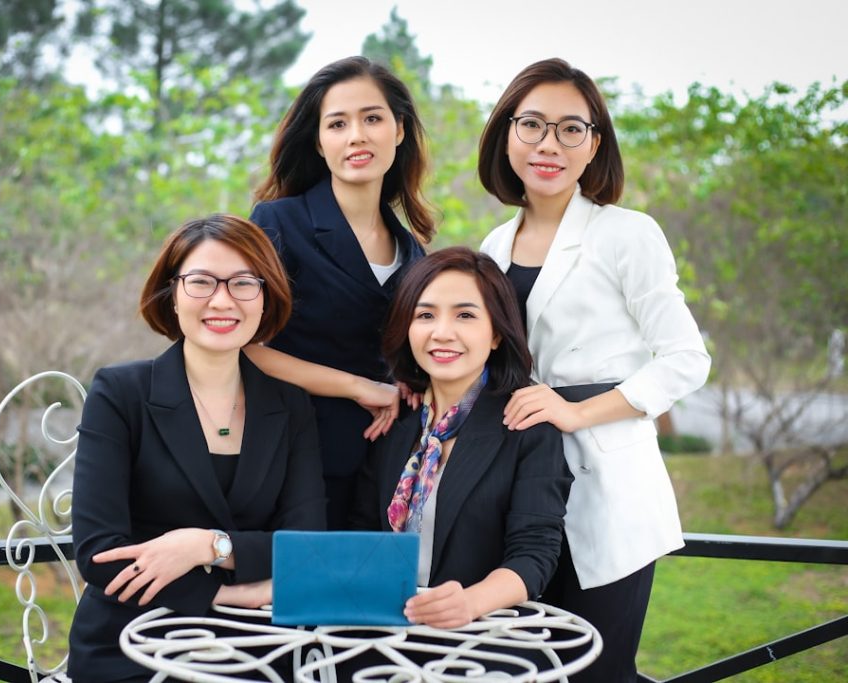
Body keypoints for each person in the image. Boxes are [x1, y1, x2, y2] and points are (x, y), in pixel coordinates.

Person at [477, 58, 712, 682]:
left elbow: (686, 358)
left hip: (606, 491)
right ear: (507, 133)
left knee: (597, 671)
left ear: (594, 144)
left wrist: (576, 411)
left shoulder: (626, 234)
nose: (548, 144)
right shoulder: (493, 246)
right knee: (518, 667)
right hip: (518, 492)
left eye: (570, 129)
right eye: (532, 124)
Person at [67, 214, 326, 683]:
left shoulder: (291, 405)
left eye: (243, 283)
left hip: (256, 649)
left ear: (265, 297)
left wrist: (206, 545)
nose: (222, 300)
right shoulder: (120, 393)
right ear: (172, 293)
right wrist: (225, 594)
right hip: (134, 641)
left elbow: (305, 547)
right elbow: (99, 552)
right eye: (202, 281)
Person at [246, 56, 436, 529]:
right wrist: (358, 386)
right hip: (294, 458)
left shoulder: (414, 250)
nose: (356, 136)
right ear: (319, 141)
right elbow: (244, 348)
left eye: (372, 118)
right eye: (337, 123)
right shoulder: (278, 222)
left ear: (398, 130)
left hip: (386, 467)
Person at [351, 247, 572, 633]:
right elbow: (362, 532)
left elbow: (534, 554)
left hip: (483, 635)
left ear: (496, 334)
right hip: (386, 633)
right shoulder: (396, 424)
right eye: (425, 315)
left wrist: (470, 603)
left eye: (465, 315)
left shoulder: (527, 426)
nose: (442, 332)